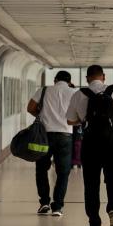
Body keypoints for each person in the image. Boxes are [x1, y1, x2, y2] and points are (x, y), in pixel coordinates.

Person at [66, 65, 113, 226]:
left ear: (87, 78)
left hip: (90, 144)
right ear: (103, 77)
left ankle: (94, 222)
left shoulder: (79, 94)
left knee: (91, 183)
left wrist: (84, 120)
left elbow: (70, 121)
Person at [27, 71, 76, 216]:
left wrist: (42, 115)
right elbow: (80, 112)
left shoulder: (43, 90)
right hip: (65, 135)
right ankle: (58, 207)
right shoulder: (74, 92)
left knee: (41, 169)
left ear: (55, 80)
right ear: (69, 81)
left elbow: (30, 108)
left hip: (44, 135)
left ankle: (44, 203)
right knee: (63, 172)